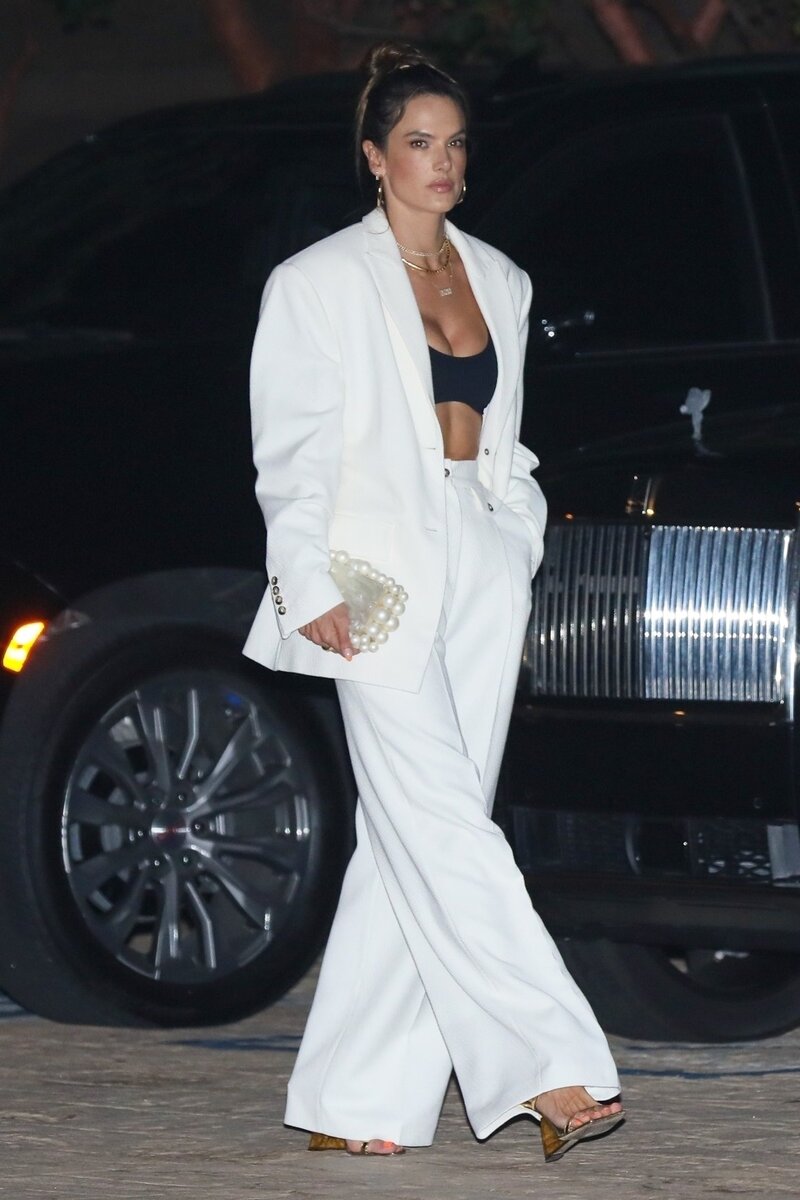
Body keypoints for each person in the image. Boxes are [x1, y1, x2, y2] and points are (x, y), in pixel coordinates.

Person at [243, 41, 624, 1162]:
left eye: (455, 143)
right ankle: (552, 1066)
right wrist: (307, 580)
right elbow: (289, 452)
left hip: (480, 558)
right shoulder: (315, 281)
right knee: (445, 821)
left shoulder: (500, 279)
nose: (442, 162)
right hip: (368, 573)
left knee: (410, 831)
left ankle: (357, 1098)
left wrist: (515, 534)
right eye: (418, 142)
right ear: (375, 157)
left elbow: (507, 444)